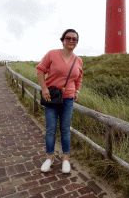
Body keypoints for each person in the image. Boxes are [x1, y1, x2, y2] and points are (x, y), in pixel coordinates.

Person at [36, 29, 83, 173]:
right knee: (50, 129)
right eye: (68, 38)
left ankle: (65, 159)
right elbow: (40, 70)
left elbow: (79, 77)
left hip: (68, 98)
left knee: (65, 129)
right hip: (52, 96)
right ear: (62, 40)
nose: (71, 41)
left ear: (77, 42)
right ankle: (49, 158)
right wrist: (44, 89)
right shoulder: (52, 54)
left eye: (74, 39)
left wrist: (76, 91)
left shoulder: (78, 60)